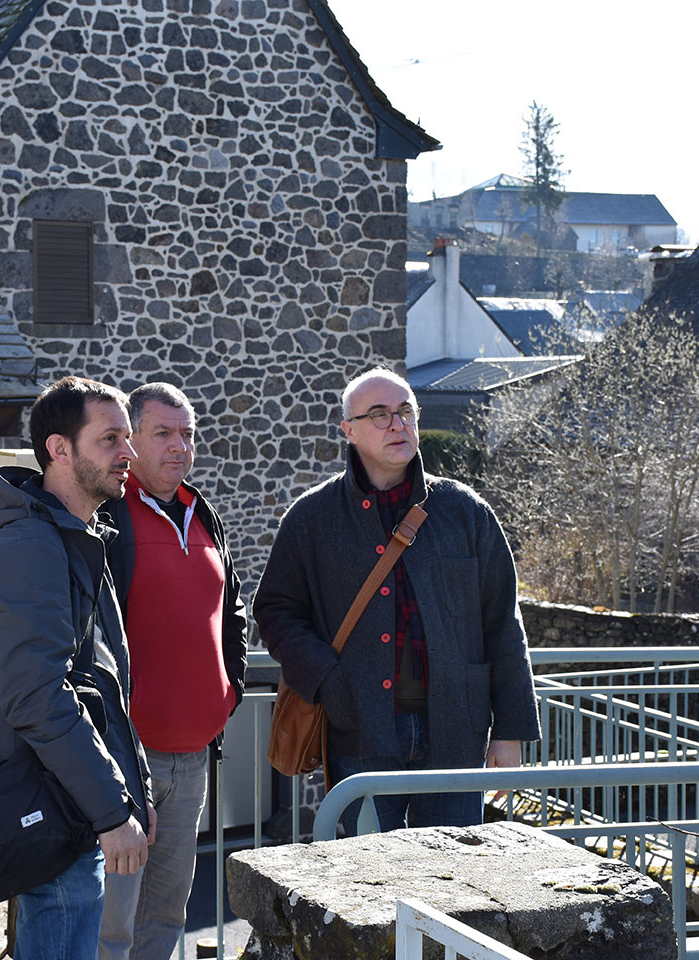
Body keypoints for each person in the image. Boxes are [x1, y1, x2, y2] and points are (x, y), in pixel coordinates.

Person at [254, 366, 539, 832]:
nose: (397, 424)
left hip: (455, 733)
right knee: (371, 891)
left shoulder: (465, 511)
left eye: (406, 411)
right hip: (360, 731)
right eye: (380, 414)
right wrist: (328, 681)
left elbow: (503, 624)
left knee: (454, 888)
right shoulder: (312, 518)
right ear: (349, 430)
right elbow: (275, 610)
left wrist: (510, 731)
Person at [0, 376, 155, 960]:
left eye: (128, 438)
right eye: (111, 439)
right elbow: (36, 696)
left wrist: (133, 784)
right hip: (49, 803)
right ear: (59, 448)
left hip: (67, 793)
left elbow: (104, 682)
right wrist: (109, 810)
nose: (130, 453)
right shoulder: (32, 547)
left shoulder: (79, 538)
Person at [97, 383, 248, 960]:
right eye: (163, 433)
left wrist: (228, 691)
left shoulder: (201, 510)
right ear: (130, 440)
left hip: (193, 759)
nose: (179, 447)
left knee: (166, 915)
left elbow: (230, 606)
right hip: (126, 758)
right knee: (113, 921)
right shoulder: (109, 516)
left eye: (188, 434)